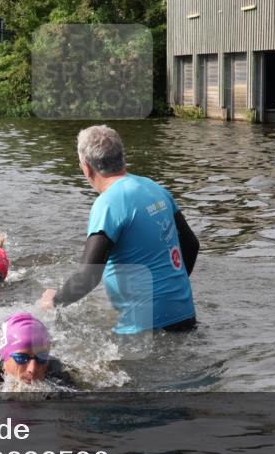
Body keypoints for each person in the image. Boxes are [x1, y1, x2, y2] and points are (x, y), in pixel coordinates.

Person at [39, 125, 199, 334]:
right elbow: (192, 245)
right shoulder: (155, 188)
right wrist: (169, 293)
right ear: (122, 158)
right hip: (185, 315)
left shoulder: (108, 204)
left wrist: (55, 301)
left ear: (86, 167)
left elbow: (88, 276)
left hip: (145, 328)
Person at [0, 312, 76, 392]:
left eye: (41, 358)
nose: (33, 369)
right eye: (21, 358)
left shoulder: (57, 372)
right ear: (4, 357)